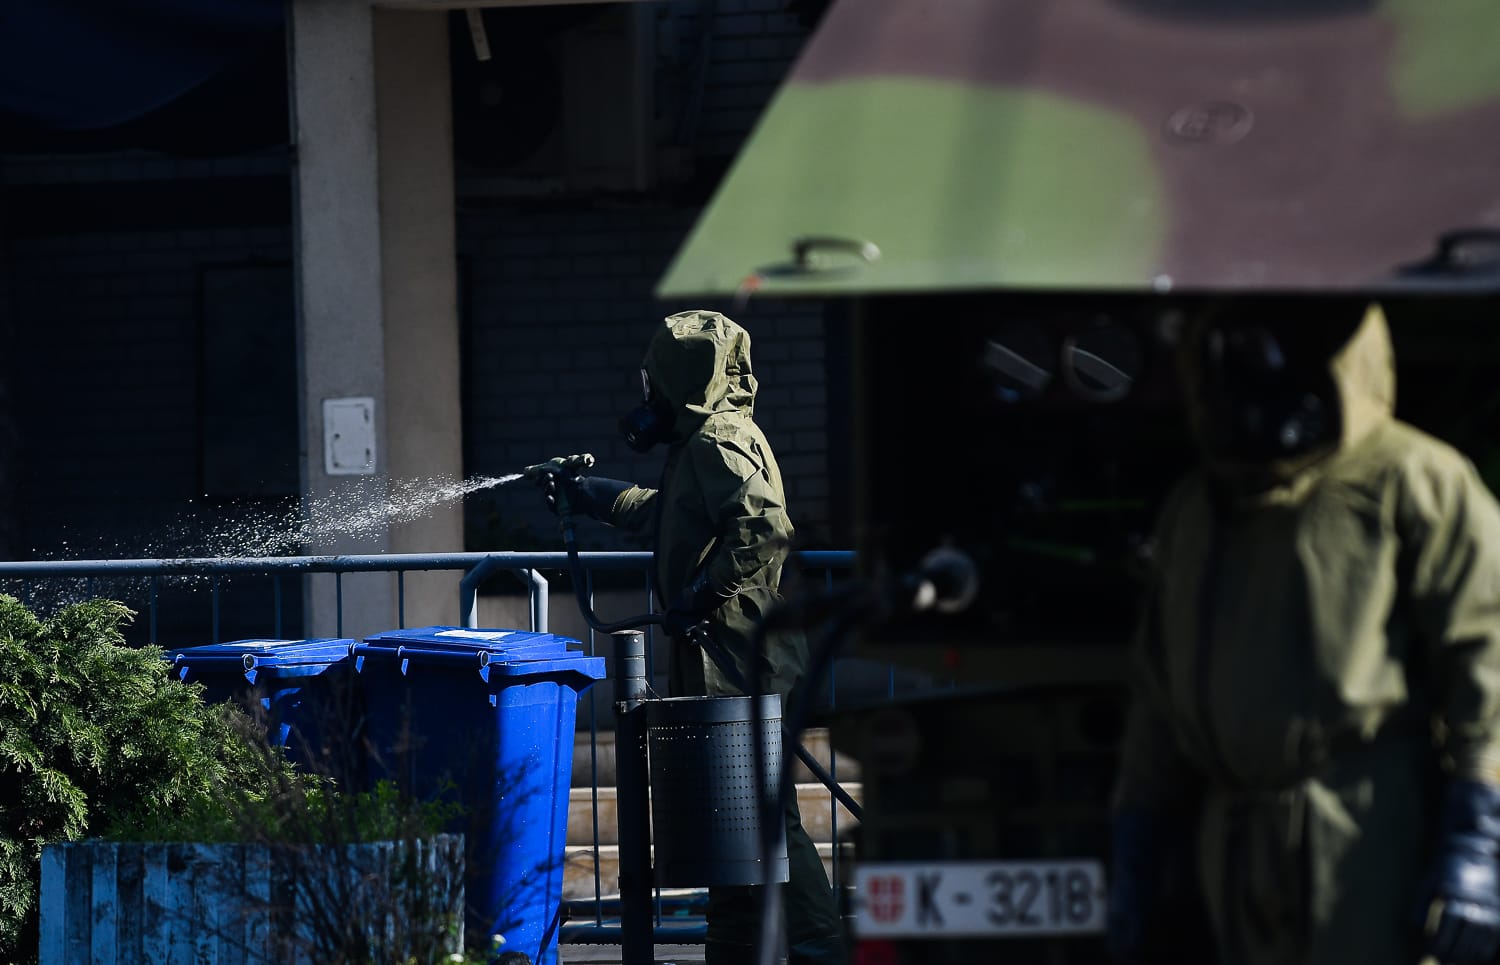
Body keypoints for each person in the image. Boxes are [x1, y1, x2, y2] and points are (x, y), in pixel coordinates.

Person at [1107, 299, 1500, 965]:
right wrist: (1137, 843)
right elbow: (1158, 696)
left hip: (1369, 836)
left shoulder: (1413, 479)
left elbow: (1486, 654)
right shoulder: (1197, 508)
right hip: (1236, 847)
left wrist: (1477, 839)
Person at [544, 310, 843, 965]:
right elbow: (674, 515)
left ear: (679, 376)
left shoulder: (718, 438)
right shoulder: (702, 440)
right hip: (720, 649)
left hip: (735, 651)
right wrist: (595, 496)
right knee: (729, 819)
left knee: (760, 814)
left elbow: (763, 528)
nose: (647, 392)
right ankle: (733, 948)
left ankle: (820, 949)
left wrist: (700, 594)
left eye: (654, 378)